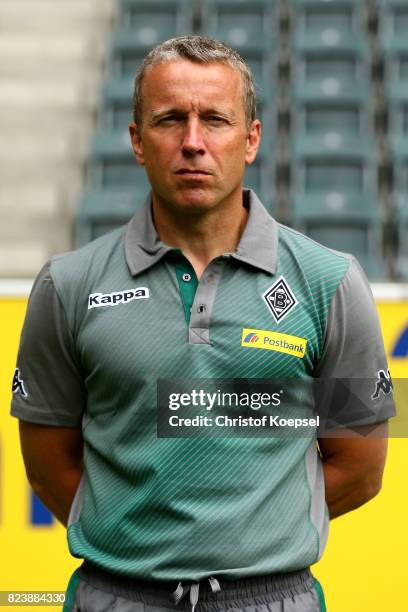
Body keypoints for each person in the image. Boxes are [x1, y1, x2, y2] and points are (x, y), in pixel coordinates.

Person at [11, 36, 395, 612]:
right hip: (113, 597)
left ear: (252, 139)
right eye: (170, 120)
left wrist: (251, 537)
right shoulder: (68, 285)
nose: (193, 142)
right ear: (138, 142)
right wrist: (140, 548)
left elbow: (360, 468)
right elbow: (48, 465)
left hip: (274, 599)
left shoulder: (328, 281)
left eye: (215, 119)